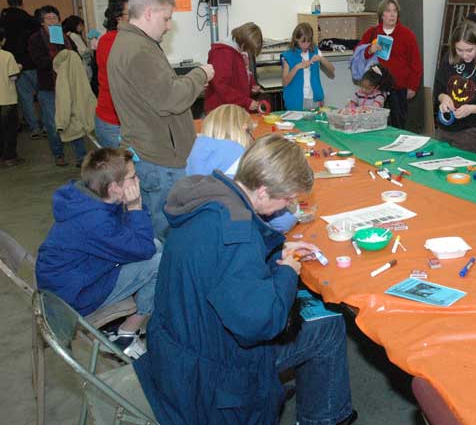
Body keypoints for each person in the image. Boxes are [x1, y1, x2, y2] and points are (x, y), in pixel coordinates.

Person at [133, 135, 357, 425]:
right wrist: (288, 272)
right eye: (287, 199)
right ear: (262, 192)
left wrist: (276, 250)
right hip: (212, 373)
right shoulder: (237, 236)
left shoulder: (210, 198)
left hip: (176, 346)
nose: (288, 207)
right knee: (328, 325)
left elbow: (220, 265)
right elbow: (261, 324)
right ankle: (326, 417)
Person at [107, 0, 215, 241]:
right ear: (148, 13)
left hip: (153, 154)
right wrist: (200, 74)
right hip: (159, 161)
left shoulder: (135, 44)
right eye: (166, 19)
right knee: (168, 236)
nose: (168, 26)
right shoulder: (138, 50)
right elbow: (170, 99)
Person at [35, 148, 160, 358]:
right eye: (132, 177)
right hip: (73, 299)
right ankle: (126, 334)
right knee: (159, 261)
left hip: (72, 280)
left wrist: (131, 210)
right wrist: (136, 206)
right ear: (113, 188)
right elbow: (143, 248)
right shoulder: (95, 222)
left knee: (157, 245)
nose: (138, 180)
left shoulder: (87, 197)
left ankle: (129, 318)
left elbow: (135, 238)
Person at [186, 104, 298, 233]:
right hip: (233, 234)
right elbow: (281, 223)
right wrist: (294, 211)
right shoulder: (240, 159)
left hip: (198, 230)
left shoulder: (195, 154)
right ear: (245, 130)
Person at [28, 5, 86, 166]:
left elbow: (74, 56)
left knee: (74, 119)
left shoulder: (64, 37)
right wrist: (59, 60)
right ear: (41, 22)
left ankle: (81, 156)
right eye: (48, 18)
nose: (53, 21)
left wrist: (66, 58)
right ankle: (58, 154)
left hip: (68, 85)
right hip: (48, 87)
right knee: (53, 123)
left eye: (55, 18)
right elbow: (39, 61)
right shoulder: (35, 39)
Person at [433, 20, 476, 154]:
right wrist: (444, 98)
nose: (464, 55)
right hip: (445, 126)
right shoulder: (449, 59)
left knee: (460, 168)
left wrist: (472, 109)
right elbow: (438, 90)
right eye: (459, 50)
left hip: (472, 129)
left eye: (470, 50)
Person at [358, 0, 423, 129]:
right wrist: (370, 49)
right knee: (372, 123)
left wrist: (413, 86)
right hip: (375, 87)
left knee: (398, 124)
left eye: (395, 11)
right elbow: (358, 55)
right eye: (388, 11)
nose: (392, 14)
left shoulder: (407, 35)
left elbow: (416, 63)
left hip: (398, 88)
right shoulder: (372, 33)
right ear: (382, 14)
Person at [95, 0, 133, 148]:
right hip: (113, 123)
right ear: (118, 17)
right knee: (123, 172)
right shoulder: (109, 41)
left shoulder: (133, 40)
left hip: (127, 122)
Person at [0, 0, 42, 138]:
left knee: (25, 98)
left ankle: (34, 127)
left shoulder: (3, 19)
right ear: (21, 3)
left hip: (12, 64)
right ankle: (48, 124)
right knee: (43, 94)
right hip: (32, 62)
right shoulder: (29, 19)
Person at [205, 21, 269, 114]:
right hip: (221, 111)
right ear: (243, 43)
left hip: (234, 108)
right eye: (248, 48)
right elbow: (221, 86)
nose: (248, 52)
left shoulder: (239, 52)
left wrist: (251, 86)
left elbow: (241, 78)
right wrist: (246, 102)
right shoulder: (222, 53)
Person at [281, 22, 335, 111]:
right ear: (296, 39)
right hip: (296, 100)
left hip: (314, 98)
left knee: (316, 123)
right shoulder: (288, 56)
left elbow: (332, 70)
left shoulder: (315, 51)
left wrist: (321, 59)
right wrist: (297, 67)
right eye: (303, 41)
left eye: (309, 41)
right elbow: (285, 82)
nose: (306, 45)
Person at [0, 25, 22, 166]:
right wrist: (18, 67)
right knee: (9, 129)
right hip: (6, 98)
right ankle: (10, 157)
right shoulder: (7, 55)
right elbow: (13, 77)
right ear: (3, 40)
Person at [61, 14, 93, 81]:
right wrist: (90, 50)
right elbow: (82, 51)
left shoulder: (71, 35)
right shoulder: (74, 35)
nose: (82, 27)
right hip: (83, 64)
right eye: (80, 25)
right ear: (74, 25)